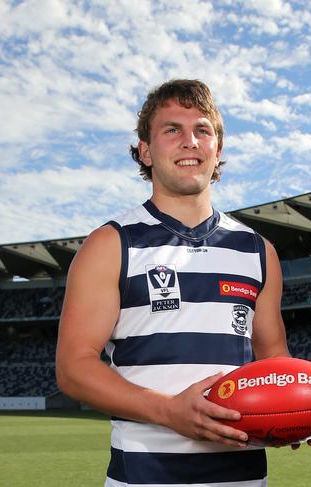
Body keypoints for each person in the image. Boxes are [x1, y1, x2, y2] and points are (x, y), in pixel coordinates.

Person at [56, 79, 290, 487]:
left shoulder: (258, 251)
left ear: (217, 149)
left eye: (202, 130)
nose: (190, 141)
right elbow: (74, 368)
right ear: (145, 150)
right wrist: (170, 412)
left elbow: (275, 364)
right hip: (145, 479)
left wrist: (298, 411)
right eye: (172, 130)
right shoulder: (111, 244)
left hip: (244, 479)